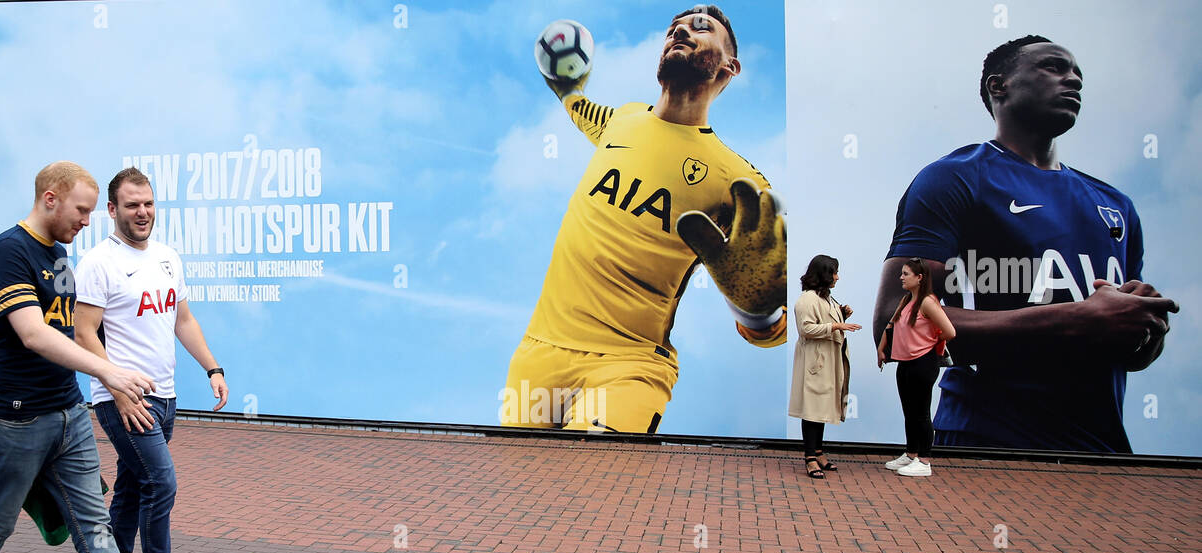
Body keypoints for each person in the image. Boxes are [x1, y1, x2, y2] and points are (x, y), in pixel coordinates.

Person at [0, 161, 203, 553]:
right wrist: (109, 374)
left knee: (95, 526)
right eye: (82, 210)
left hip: (69, 414)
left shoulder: (59, 254)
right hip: (17, 420)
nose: (87, 221)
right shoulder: (9, 252)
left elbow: (72, 331)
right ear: (49, 199)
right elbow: (34, 334)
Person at [873, 35, 1178, 453]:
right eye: (1053, 67)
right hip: (984, 444)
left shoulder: (1116, 205)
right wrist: (1078, 318)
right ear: (999, 86)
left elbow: (1130, 353)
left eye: (1078, 74)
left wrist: (1146, 326)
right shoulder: (955, 178)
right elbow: (894, 322)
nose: (1073, 80)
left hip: (1101, 451)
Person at [502, 5, 787, 434]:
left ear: (730, 67)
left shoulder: (739, 180)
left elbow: (782, 317)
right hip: (537, 354)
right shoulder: (626, 119)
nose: (681, 31)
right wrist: (567, 91)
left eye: (700, 28)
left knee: (589, 484)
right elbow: (585, 115)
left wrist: (759, 312)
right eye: (674, 28)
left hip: (627, 365)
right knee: (513, 495)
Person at [73, 168, 227, 553]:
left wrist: (212, 368)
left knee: (134, 487)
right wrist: (117, 388)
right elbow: (83, 334)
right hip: (121, 399)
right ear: (112, 210)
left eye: (149, 204)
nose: (142, 213)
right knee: (162, 484)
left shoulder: (166, 257)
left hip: (165, 396)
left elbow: (183, 320)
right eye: (132, 204)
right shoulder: (99, 262)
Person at [877, 258, 956, 476]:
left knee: (921, 412)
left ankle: (924, 460)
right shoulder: (906, 300)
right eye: (901, 273)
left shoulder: (928, 302)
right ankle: (911, 453)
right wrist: (882, 349)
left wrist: (932, 344)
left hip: (923, 362)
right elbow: (891, 325)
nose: (901, 277)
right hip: (905, 363)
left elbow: (949, 332)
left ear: (919, 278)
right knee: (909, 411)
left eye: (905, 274)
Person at [788, 255, 857, 478]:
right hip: (816, 362)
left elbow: (823, 321)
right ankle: (810, 457)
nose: (837, 277)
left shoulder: (827, 298)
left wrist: (841, 314)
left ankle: (818, 451)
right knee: (812, 409)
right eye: (833, 272)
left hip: (828, 360)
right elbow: (806, 329)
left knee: (823, 406)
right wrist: (836, 324)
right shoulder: (807, 299)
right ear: (823, 275)